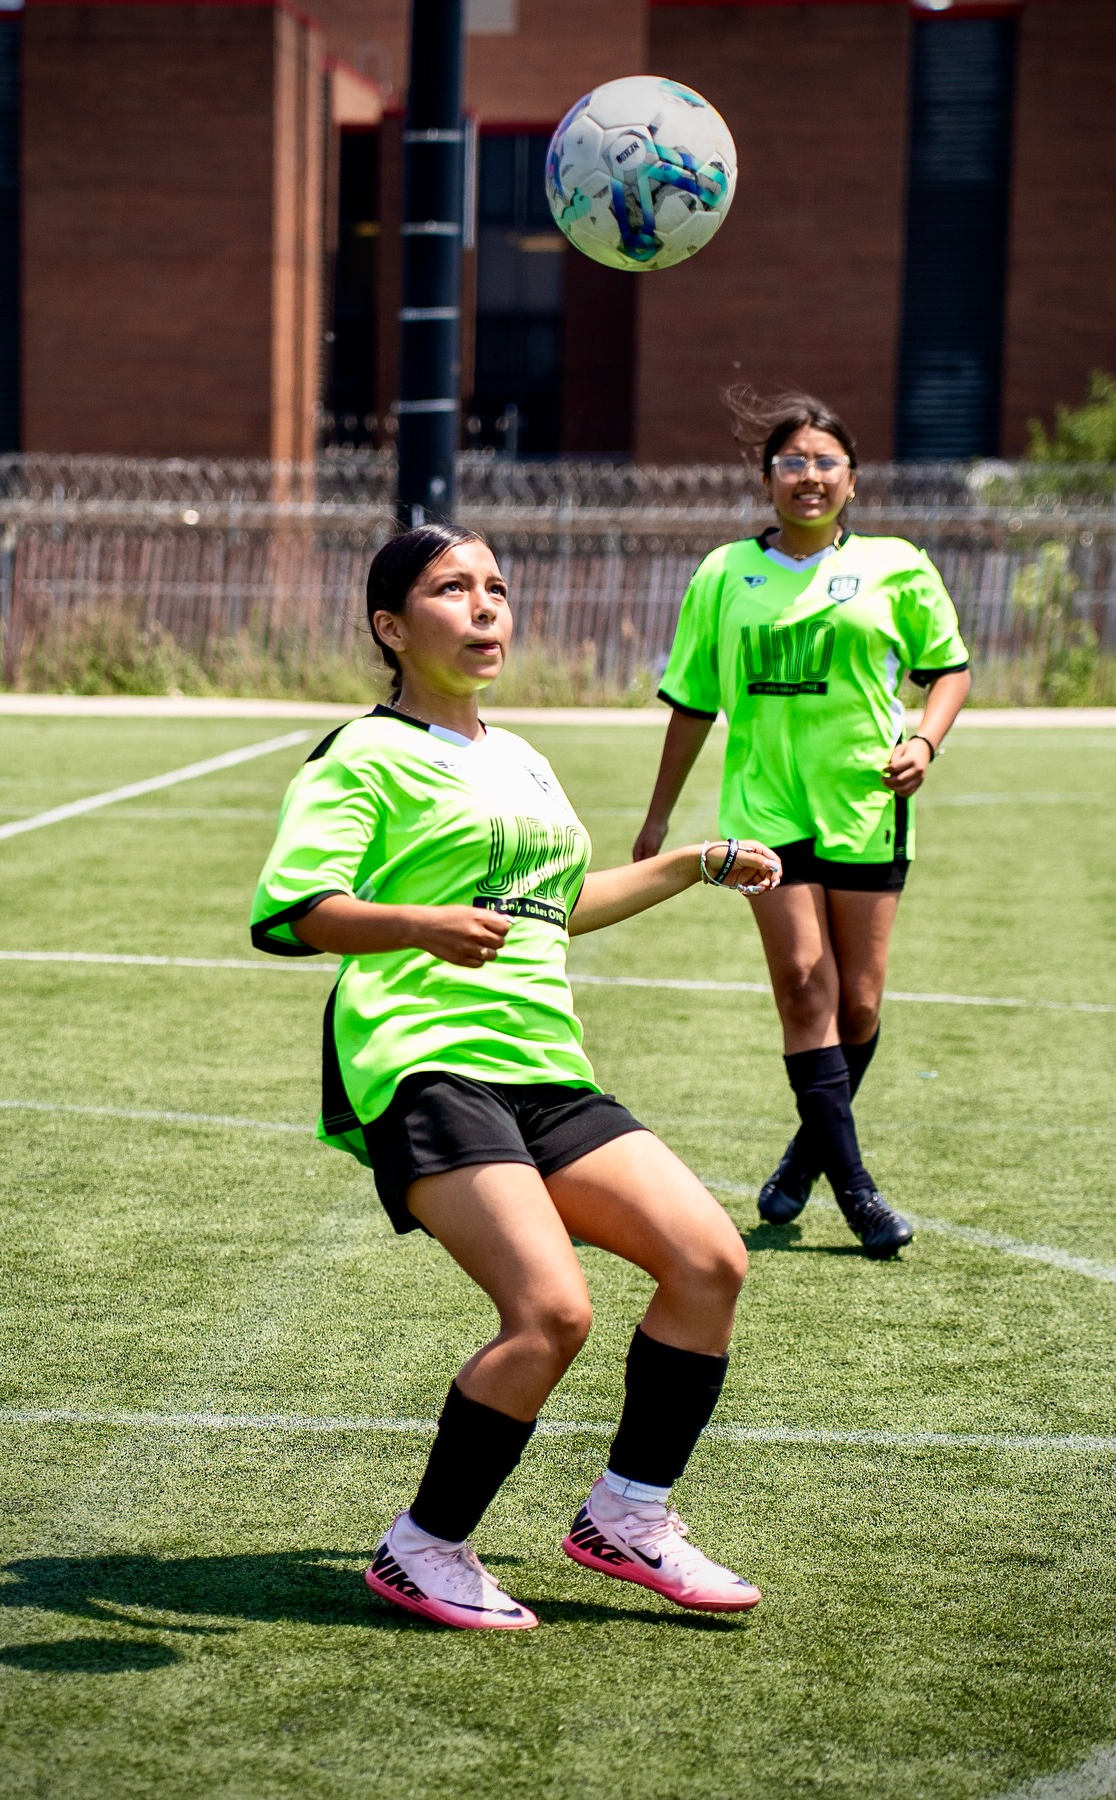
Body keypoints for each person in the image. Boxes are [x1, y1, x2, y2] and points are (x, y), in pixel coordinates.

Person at [250, 522, 781, 1632]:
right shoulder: (364, 753)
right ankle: (424, 1548)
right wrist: (418, 925)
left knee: (709, 1262)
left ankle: (629, 1516)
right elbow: (293, 916)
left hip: (543, 1060)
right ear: (393, 628)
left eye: (497, 586)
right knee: (550, 1311)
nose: (486, 605)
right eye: (454, 588)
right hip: (421, 1057)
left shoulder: (522, 758)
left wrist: (693, 864)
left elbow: (556, 908)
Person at [633, 390, 971, 1257]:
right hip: (765, 809)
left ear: (852, 480)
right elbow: (691, 702)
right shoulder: (723, 574)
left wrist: (925, 743)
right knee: (805, 989)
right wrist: (658, 816)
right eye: (792, 462)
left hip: (865, 806)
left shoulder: (899, 564)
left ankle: (801, 1162)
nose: (809, 476)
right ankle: (857, 1192)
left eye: (825, 462)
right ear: (767, 478)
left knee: (859, 1002)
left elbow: (948, 672)